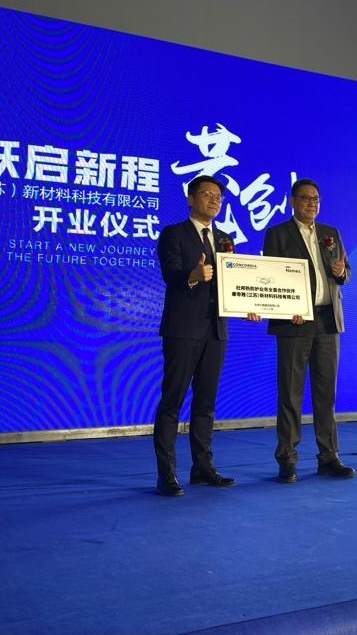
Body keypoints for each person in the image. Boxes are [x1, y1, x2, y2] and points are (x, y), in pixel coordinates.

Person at [263, 178, 355, 483]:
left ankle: (329, 456)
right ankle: (287, 459)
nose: (312, 204)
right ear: (293, 201)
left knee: (325, 393)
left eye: (316, 199)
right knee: (290, 392)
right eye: (305, 198)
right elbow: (270, 278)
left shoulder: (331, 233)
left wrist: (341, 273)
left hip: (328, 321)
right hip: (294, 322)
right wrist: (285, 307)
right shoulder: (277, 234)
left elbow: (346, 272)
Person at [152, 175, 238, 496]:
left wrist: (248, 303)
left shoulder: (225, 238)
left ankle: (202, 468)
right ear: (190, 199)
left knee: (205, 403)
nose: (214, 200)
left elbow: (233, 281)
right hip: (183, 330)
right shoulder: (173, 233)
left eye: (219, 197)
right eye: (207, 194)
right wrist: (192, 275)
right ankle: (166, 475)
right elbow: (170, 274)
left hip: (216, 330)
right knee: (172, 402)